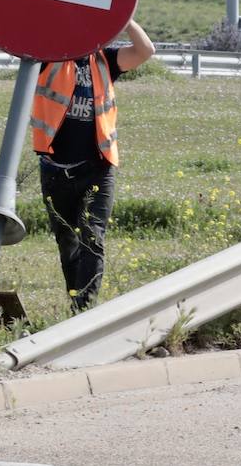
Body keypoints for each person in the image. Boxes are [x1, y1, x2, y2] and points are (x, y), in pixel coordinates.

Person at [31, 19, 154, 311]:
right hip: (55, 169)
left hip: (97, 167)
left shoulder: (105, 60)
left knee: (92, 237)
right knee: (67, 243)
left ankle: (84, 311)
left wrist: (123, 19)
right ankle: (77, 304)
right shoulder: (49, 58)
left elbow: (145, 50)